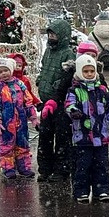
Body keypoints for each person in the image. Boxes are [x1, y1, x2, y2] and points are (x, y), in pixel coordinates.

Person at [64, 53, 109, 203]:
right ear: (79, 72)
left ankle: (102, 189)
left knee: (102, 165)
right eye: (86, 71)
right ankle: (81, 191)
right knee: (82, 166)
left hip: (101, 137)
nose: (89, 74)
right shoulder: (74, 90)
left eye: (92, 71)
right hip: (82, 137)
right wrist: (74, 111)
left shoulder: (102, 91)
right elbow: (68, 105)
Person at [37, 18, 75, 181]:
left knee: (62, 136)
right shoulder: (48, 51)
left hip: (60, 101)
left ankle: (62, 169)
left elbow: (68, 76)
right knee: (45, 136)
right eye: (50, 34)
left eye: (54, 34)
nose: (51, 37)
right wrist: (41, 80)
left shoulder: (68, 53)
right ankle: (45, 168)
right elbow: (44, 68)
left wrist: (55, 87)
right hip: (46, 100)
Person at [0, 57, 38, 179]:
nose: (3, 74)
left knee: (23, 144)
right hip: (6, 122)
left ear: (10, 70)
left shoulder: (19, 84)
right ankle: (8, 168)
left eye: (5, 70)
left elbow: (28, 101)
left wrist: (33, 117)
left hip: (21, 121)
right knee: (6, 145)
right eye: (0, 72)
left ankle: (24, 167)